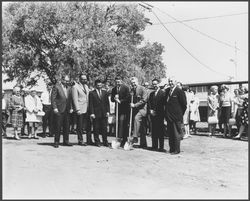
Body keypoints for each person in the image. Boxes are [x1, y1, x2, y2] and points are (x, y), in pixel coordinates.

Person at [164, 77, 187, 155]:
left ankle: (177, 150)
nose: (170, 83)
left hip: (176, 117)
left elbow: (184, 105)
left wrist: (180, 114)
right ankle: (171, 149)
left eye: (172, 81)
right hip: (169, 116)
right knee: (170, 134)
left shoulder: (179, 92)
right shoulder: (167, 91)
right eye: (169, 81)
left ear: (176, 82)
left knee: (176, 134)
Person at [51, 74, 73, 148]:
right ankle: (56, 142)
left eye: (68, 81)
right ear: (62, 80)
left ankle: (66, 141)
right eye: (65, 81)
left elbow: (70, 99)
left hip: (67, 109)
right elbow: (53, 98)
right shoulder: (56, 87)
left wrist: (71, 108)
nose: (67, 82)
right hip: (59, 109)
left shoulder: (69, 88)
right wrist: (54, 108)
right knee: (58, 126)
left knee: (67, 126)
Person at [89, 79, 110, 147]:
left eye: (100, 85)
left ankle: (105, 141)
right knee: (96, 128)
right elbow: (91, 104)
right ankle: (97, 141)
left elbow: (107, 103)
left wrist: (108, 111)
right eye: (98, 85)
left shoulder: (105, 92)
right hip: (96, 113)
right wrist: (92, 113)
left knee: (104, 128)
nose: (99, 86)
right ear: (95, 85)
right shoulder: (92, 93)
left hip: (104, 113)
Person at [111, 76, 130, 147]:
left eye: (118, 82)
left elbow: (128, 98)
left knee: (122, 123)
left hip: (124, 109)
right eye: (116, 82)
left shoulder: (126, 88)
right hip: (117, 110)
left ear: (121, 81)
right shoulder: (113, 89)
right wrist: (114, 98)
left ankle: (124, 139)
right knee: (118, 124)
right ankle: (118, 139)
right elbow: (112, 100)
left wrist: (120, 101)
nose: (117, 83)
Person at [71, 73, 90, 146]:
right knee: (80, 126)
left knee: (86, 126)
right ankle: (80, 140)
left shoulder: (86, 86)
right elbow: (75, 99)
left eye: (85, 79)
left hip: (87, 108)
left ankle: (88, 140)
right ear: (79, 79)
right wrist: (77, 109)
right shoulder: (75, 87)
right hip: (80, 109)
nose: (84, 80)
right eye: (82, 79)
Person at [148, 78, 165, 152]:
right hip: (153, 115)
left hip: (160, 115)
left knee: (160, 132)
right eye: (153, 84)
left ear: (158, 84)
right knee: (154, 131)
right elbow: (149, 104)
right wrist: (151, 110)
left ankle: (161, 147)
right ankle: (154, 146)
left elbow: (163, 105)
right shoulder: (151, 94)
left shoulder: (163, 93)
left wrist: (159, 112)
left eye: (156, 84)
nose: (154, 85)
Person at [130, 77, 148, 148]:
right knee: (142, 127)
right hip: (136, 109)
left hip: (143, 110)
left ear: (137, 82)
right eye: (132, 83)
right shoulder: (132, 89)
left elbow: (144, 100)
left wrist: (134, 105)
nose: (133, 84)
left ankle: (135, 137)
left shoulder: (142, 88)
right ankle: (143, 144)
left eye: (134, 82)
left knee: (136, 118)